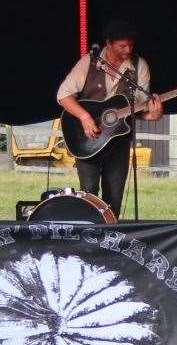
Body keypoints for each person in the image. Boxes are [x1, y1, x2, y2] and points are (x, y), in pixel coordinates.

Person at [57, 19, 161, 210]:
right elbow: (63, 95)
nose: (128, 49)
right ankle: (90, 236)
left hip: (118, 143)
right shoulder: (90, 62)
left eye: (130, 44)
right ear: (109, 43)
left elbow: (140, 110)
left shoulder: (139, 66)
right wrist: (85, 117)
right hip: (87, 140)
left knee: (114, 198)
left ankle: (111, 237)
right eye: (122, 46)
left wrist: (154, 112)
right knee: (88, 196)